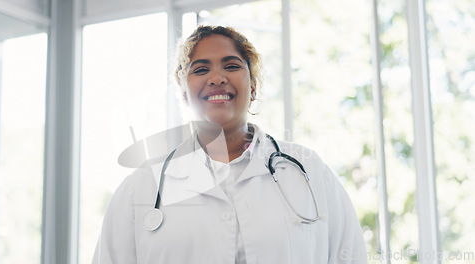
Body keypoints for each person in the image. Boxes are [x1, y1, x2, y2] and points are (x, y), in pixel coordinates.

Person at [92, 25, 367, 264]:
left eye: (232, 66)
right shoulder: (140, 188)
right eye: (200, 69)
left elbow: (351, 255)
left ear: (254, 85)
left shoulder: (309, 171)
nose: (217, 78)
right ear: (184, 93)